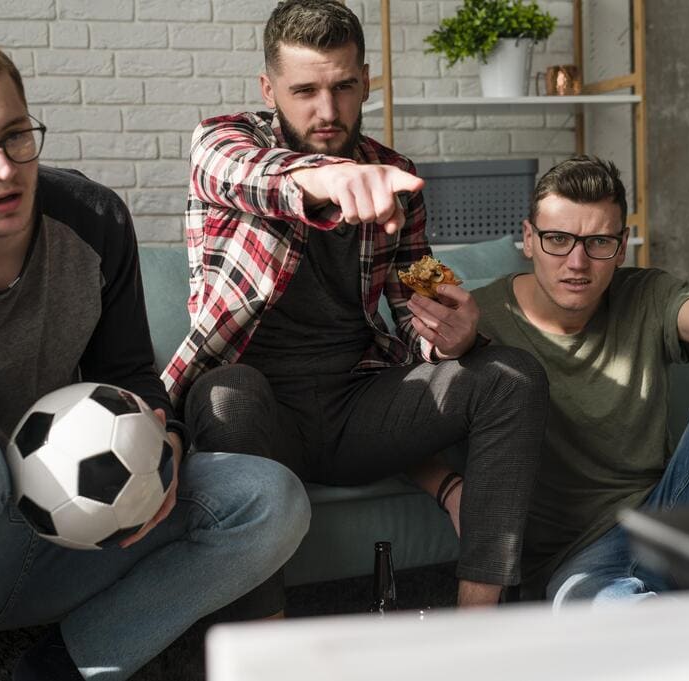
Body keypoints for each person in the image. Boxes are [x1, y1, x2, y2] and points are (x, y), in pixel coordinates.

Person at [0, 29, 309, 681]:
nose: (3, 168)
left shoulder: (91, 217)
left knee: (269, 498)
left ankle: (58, 670)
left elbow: (129, 377)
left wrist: (160, 446)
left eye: (15, 134)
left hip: (62, 523)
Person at [165, 0, 549, 613]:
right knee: (224, 391)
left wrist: (451, 337)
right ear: (270, 88)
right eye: (305, 90)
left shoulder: (395, 175)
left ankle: (478, 623)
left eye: (344, 86)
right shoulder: (222, 142)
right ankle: (266, 647)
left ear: (366, 80)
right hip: (260, 416)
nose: (327, 110)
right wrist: (328, 179)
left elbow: (414, 308)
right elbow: (243, 174)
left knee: (512, 376)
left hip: (358, 408)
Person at [462, 155, 689, 606]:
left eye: (598, 242)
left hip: (670, 513)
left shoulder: (646, 295)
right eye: (557, 239)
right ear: (528, 239)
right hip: (577, 561)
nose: (577, 262)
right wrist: (448, 488)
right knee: (613, 619)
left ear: (622, 244)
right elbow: (411, 421)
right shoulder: (479, 319)